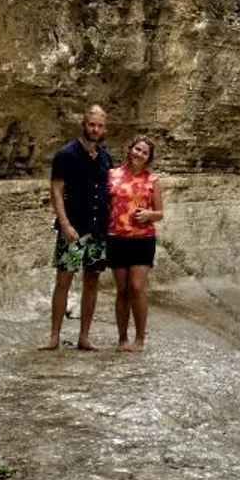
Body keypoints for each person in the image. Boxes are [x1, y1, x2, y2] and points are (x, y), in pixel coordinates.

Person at [44, 105, 113, 351]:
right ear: (84, 124)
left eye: (100, 125)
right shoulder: (66, 154)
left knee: (92, 281)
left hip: (98, 229)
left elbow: (109, 191)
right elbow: (56, 190)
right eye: (92, 124)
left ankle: (84, 336)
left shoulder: (106, 157)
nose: (95, 129)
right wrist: (64, 224)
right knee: (64, 280)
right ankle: (54, 336)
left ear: (104, 128)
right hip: (73, 228)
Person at [106, 136, 165, 353]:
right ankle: (122, 339)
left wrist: (150, 214)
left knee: (137, 288)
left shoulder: (153, 180)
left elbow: (160, 213)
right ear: (129, 149)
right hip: (116, 238)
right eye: (137, 149)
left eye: (144, 153)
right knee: (122, 290)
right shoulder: (112, 175)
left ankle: (140, 339)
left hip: (142, 240)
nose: (139, 154)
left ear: (148, 158)